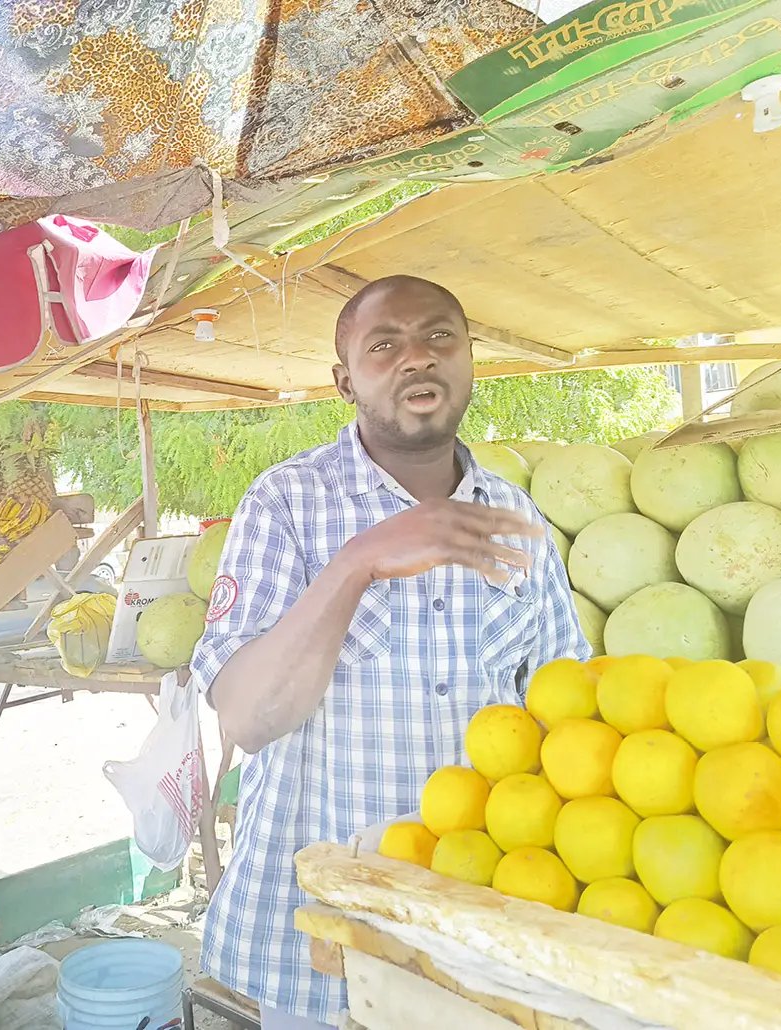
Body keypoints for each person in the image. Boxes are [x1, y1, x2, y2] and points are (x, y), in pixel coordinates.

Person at [188, 275, 589, 1029]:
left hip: (478, 937)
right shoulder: (285, 504)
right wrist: (358, 561)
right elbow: (247, 718)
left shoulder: (514, 517)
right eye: (384, 345)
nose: (415, 358)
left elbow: (564, 710)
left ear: (471, 359)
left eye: (439, 336)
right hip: (321, 938)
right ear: (346, 381)